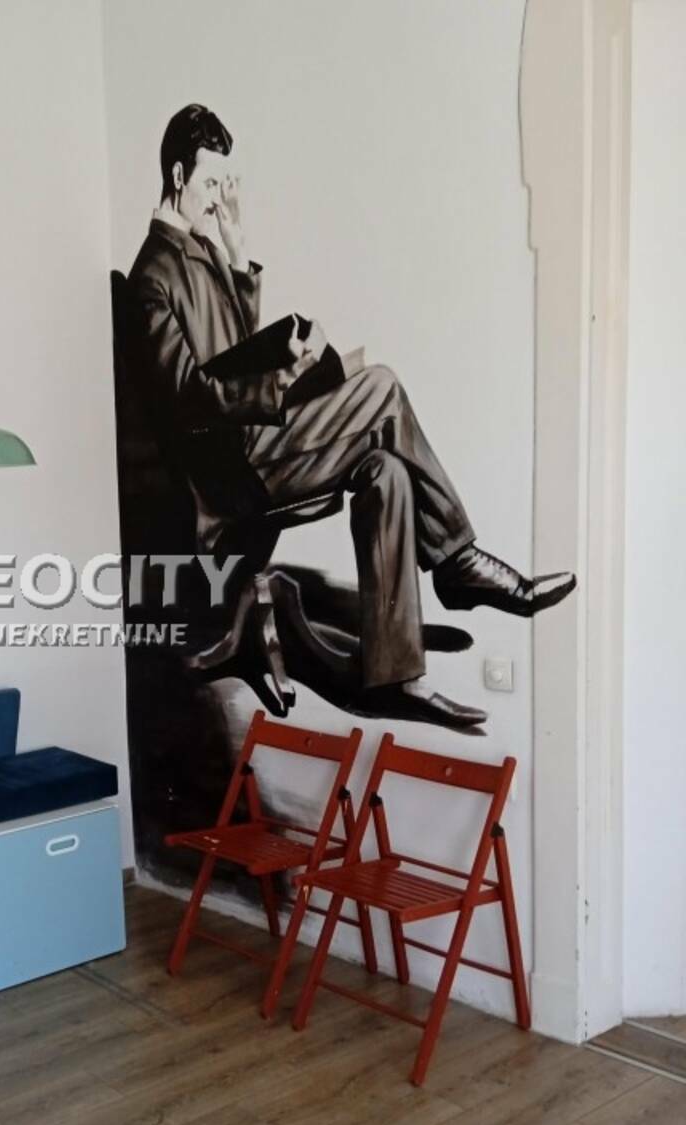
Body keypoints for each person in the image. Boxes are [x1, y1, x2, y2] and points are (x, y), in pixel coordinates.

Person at [127, 103, 575, 729]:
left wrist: (240, 260)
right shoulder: (153, 275)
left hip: (257, 440)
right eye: (211, 184)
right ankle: (456, 563)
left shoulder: (200, 251)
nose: (220, 200)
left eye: (226, 185)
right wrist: (282, 385)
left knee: (385, 469)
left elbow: (233, 352)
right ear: (178, 176)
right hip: (231, 470)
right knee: (382, 385)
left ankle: (396, 674)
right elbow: (187, 398)